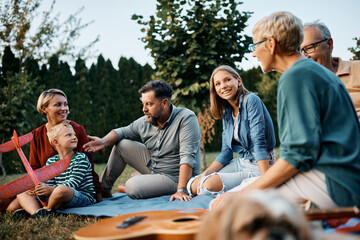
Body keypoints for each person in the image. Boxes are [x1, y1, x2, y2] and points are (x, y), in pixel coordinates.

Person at [211, 11, 360, 209]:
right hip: (347, 178)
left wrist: (242, 194)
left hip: (336, 184)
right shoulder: (316, 71)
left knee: (230, 205)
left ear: (271, 44)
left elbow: (298, 155)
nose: (254, 53)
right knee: (246, 189)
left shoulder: (295, 76)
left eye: (255, 45)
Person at [83, 80, 201, 201]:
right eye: (143, 104)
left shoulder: (186, 118)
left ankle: (150, 183)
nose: (144, 109)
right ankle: (103, 190)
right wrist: (103, 142)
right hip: (155, 167)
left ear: (164, 103)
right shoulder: (146, 120)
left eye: (149, 104)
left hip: (175, 177)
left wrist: (181, 190)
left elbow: (187, 156)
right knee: (122, 145)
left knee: (132, 186)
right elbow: (121, 132)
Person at [3, 89, 102, 213]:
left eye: (65, 104)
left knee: (16, 206)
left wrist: (99, 196)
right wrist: (36, 188)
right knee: (10, 208)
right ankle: (38, 213)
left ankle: (45, 210)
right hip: (46, 188)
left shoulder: (76, 130)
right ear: (44, 108)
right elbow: (34, 168)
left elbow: (88, 166)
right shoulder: (37, 134)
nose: (64, 108)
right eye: (58, 104)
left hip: (69, 189)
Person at [186, 65, 276, 197]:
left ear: (238, 81)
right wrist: (205, 174)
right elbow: (226, 152)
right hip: (240, 162)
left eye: (227, 80)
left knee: (207, 186)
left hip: (259, 165)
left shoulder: (251, 100)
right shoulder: (227, 112)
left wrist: (267, 181)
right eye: (218, 84)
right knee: (193, 185)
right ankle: (244, 186)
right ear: (215, 89)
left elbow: (259, 143)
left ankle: (254, 183)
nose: (223, 86)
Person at [15, 122, 96, 218]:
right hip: (56, 196)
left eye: (74, 134)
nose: (75, 137)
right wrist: (40, 190)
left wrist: (50, 189)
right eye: (69, 135)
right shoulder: (51, 161)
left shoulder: (80, 158)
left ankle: (46, 210)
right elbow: (49, 182)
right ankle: (36, 213)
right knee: (22, 194)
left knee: (61, 190)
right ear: (56, 142)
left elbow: (73, 183)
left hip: (81, 196)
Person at [301, 20, 360, 118]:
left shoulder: (357, 69)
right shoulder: (304, 89)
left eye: (309, 47)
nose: (304, 56)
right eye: (300, 51)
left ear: (329, 44)